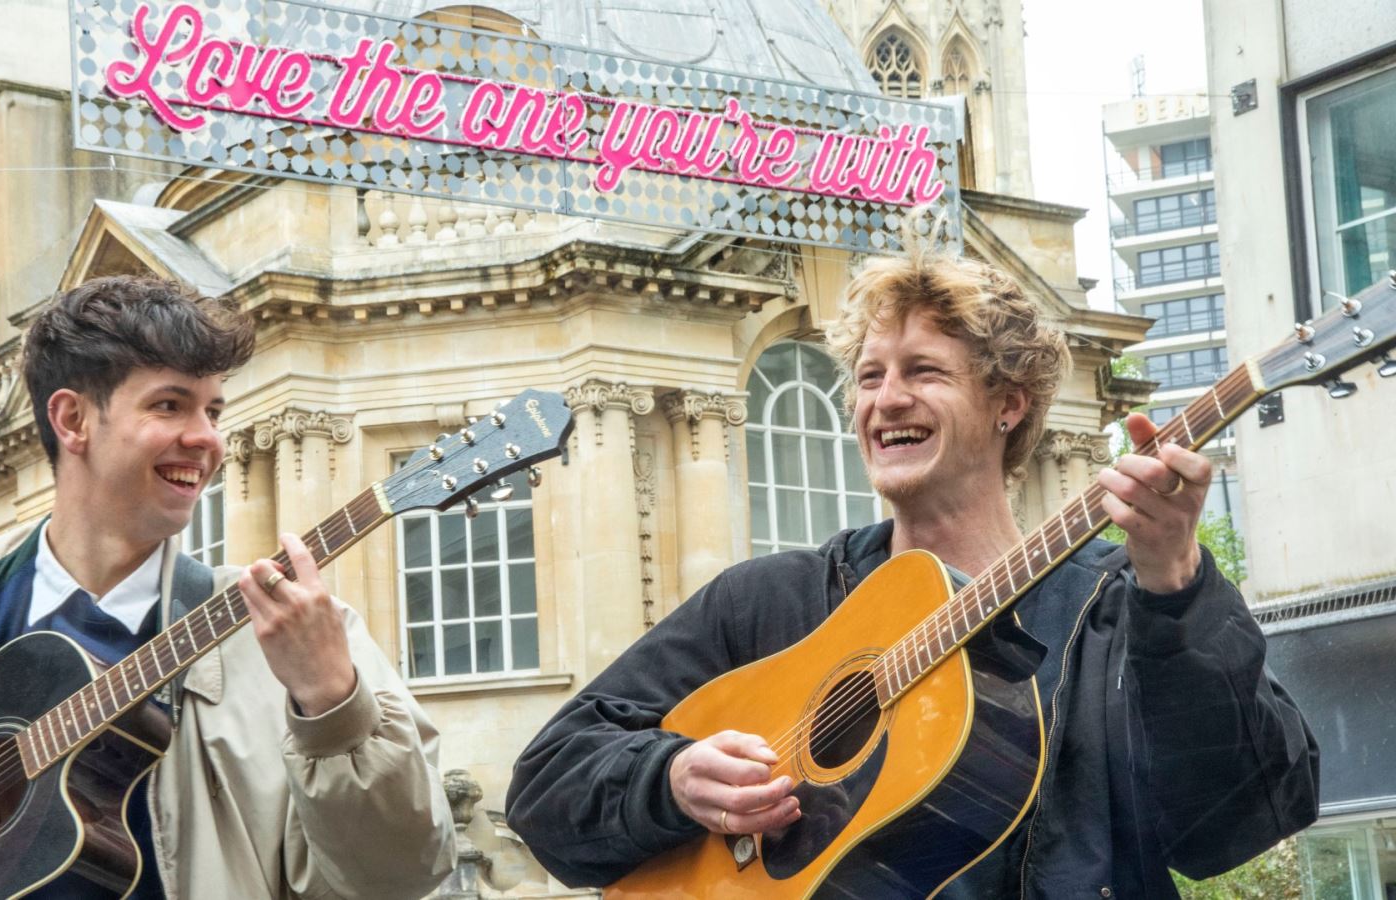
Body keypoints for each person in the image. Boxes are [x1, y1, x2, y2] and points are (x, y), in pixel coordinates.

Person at [505, 248, 1319, 897]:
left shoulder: (1118, 606)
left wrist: (1177, 583)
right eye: (868, 377)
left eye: (923, 371)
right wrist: (671, 777)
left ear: (1010, 404)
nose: (884, 399)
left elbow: (1242, 820)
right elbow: (545, 786)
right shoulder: (770, 605)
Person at [0, 276, 456, 899]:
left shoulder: (303, 639)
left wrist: (332, 703)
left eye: (214, 410)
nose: (206, 439)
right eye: (170, 405)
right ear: (73, 420)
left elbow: (399, 877)